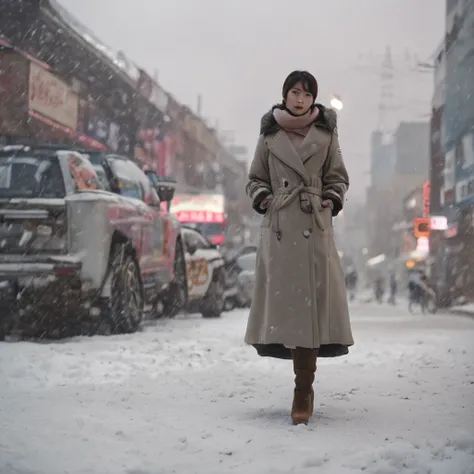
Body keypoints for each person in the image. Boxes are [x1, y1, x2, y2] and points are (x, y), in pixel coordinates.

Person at [244, 70, 354, 425]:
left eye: (307, 93)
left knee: (310, 312)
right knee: (290, 309)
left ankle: (302, 389)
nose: (301, 99)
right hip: (280, 229)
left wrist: (330, 200)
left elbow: (338, 176)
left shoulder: (326, 133)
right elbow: (255, 178)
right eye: (295, 92)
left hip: (313, 226)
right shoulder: (269, 135)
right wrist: (264, 198)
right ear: (285, 95)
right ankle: (301, 382)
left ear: (313, 98)